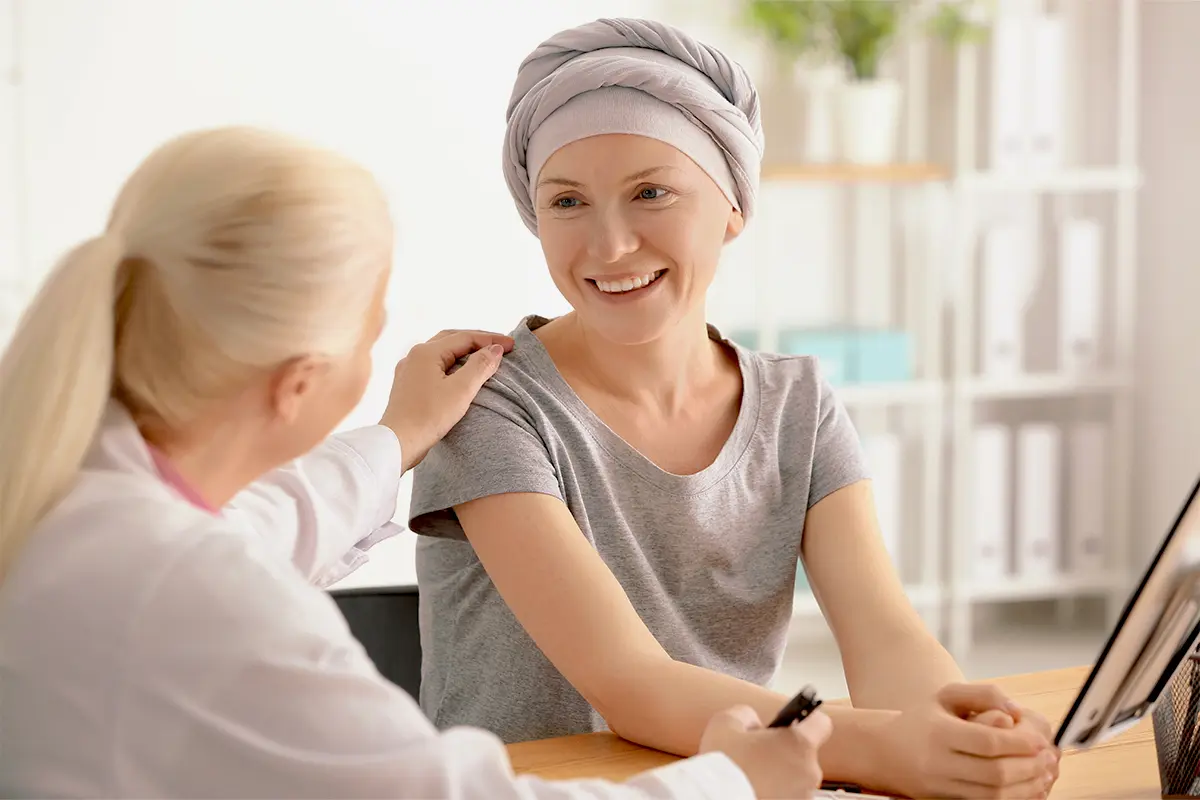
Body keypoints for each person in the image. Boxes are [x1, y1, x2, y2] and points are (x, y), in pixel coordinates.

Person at [0, 126, 832, 799]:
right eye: (371, 333)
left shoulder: (76, 495)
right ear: (299, 384)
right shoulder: (200, 596)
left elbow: (268, 521)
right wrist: (730, 783)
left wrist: (398, 435)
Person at [409, 17, 1062, 800]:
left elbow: (883, 630)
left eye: (651, 192)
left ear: (733, 208)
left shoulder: (799, 405)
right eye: (568, 201)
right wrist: (887, 749)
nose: (610, 244)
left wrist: (955, 731)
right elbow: (629, 681)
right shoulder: (491, 406)